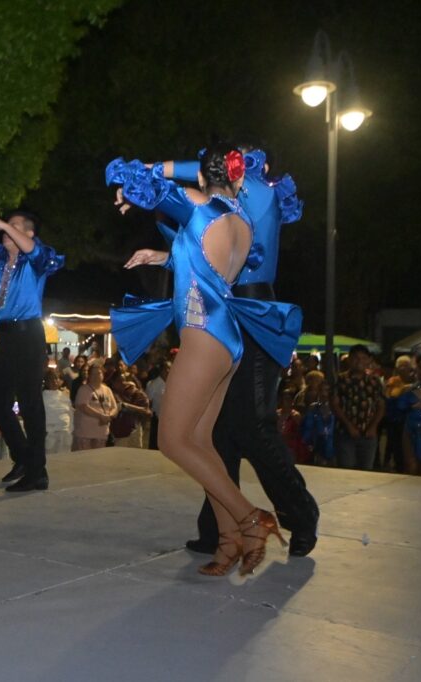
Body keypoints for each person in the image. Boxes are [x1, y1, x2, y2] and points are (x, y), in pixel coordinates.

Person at [107, 144, 301, 576]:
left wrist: (132, 185)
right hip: (227, 338)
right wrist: (162, 256)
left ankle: (252, 518)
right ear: (238, 179)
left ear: (199, 179)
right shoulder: (243, 221)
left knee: (172, 442)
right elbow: (203, 263)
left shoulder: (197, 205)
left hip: (201, 334)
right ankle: (229, 539)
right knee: (201, 440)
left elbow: (145, 182)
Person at [0, 209, 64, 492]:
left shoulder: (35, 261)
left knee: (29, 402)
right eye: (4, 226)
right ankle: (24, 458)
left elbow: (35, 251)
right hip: (6, 337)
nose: (4, 229)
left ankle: (38, 472)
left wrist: (4, 224)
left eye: (13, 226)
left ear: (29, 234)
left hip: (29, 335)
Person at [332, 345, 386, 471]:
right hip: (345, 433)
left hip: (368, 434)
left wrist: (373, 427)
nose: (359, 361)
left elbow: (381, 406)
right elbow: (335, 405)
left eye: (363, 358)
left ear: (369, 360)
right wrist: (349, 426)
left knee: (366, 471)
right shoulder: (340, 380)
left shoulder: (374, 381)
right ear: (350, 360)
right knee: (346, 470)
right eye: (356, 358)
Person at [72, 364, 118, 450]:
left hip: (101, 431)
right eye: (93, 374)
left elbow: (114, 407)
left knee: (98, 456)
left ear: (103, 374)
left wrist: (109, 415)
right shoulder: (83, 389)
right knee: (85, 456)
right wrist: (100, 416)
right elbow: (83, 407)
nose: (96, 376)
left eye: (99, 373)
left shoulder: (107, 390)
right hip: (85, 431)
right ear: (89, 375)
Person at [42, 369, 74, 455]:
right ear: (46, 381)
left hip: (65, 432)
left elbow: (70, 413)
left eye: (56, 378)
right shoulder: (42, 397)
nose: (54, 381)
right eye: (51, 379)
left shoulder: (64, 395)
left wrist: (70, 429)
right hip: (50, 434)